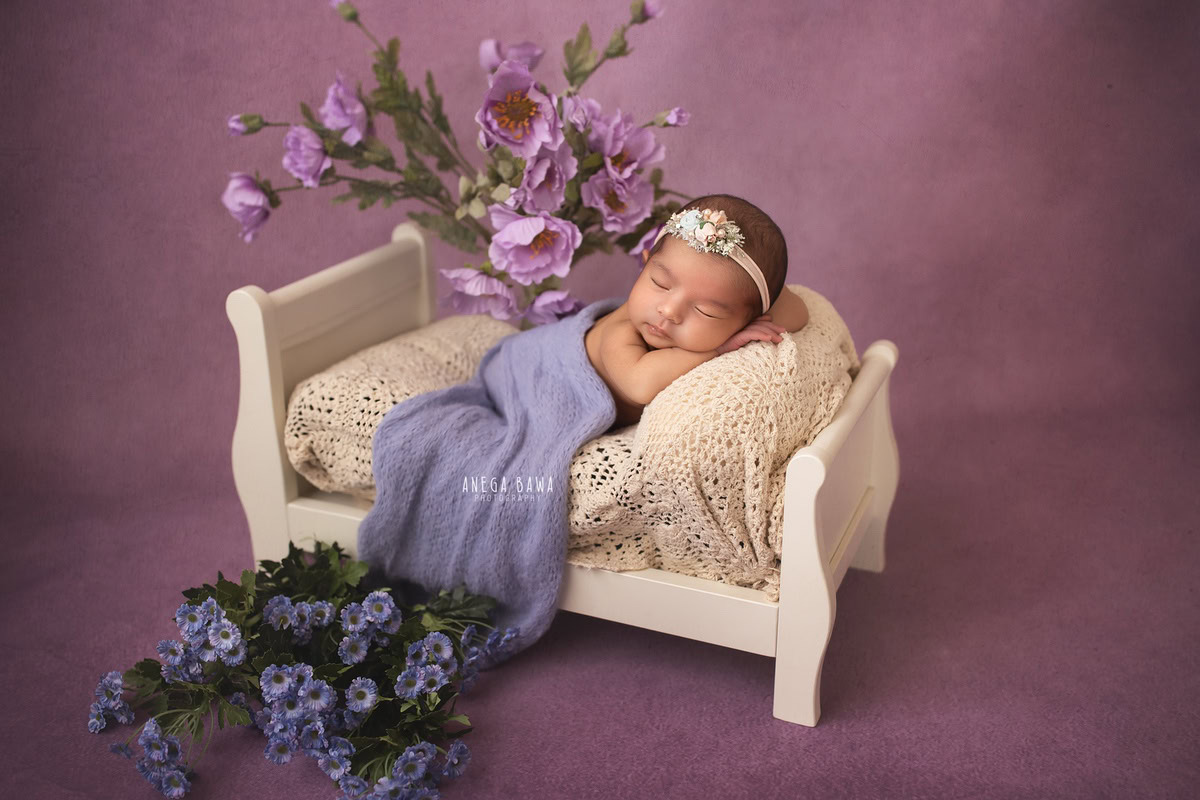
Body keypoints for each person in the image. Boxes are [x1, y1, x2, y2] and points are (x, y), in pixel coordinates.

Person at [585, 193, 810, 431]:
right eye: (660, 283)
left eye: (705, 311)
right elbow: (639, 385)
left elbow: (799, 313)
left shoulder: (735, 309)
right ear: (645, 263)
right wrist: (721, 347)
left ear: (745, 320)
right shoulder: (620, 331)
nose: (669, 311)